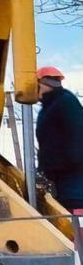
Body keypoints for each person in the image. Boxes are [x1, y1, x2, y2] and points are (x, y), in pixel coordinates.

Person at [35, 66, 83, 210]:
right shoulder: (49, 105)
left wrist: (73, 162)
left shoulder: (65, 101)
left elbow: (78, 132)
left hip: (71, 174)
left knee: (75, 207)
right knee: (65, 210)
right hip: (59, 173)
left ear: (42, 84)